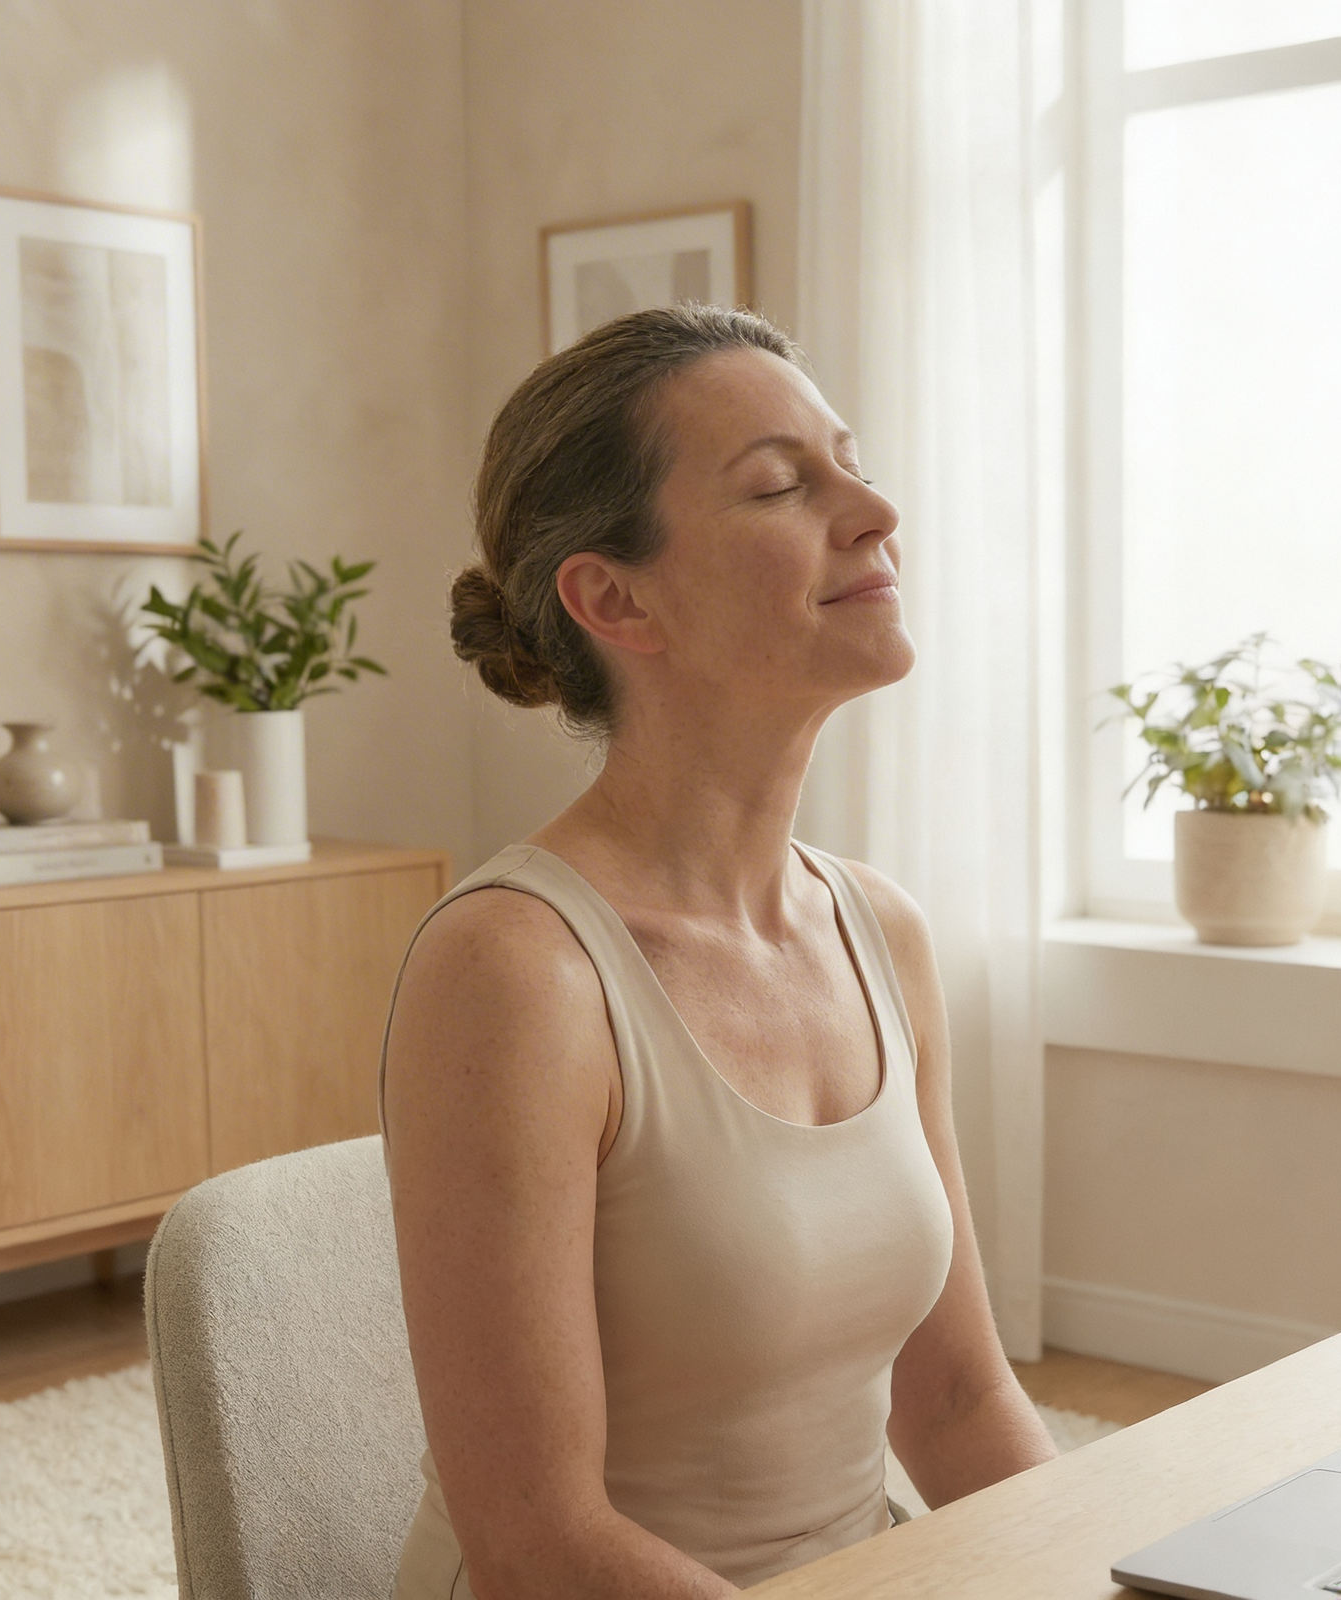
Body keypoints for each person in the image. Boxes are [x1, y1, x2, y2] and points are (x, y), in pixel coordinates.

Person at [377, 303, 1057, 1599]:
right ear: (615, 598)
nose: (872, 511)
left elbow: (961, 1405)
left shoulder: (882, 933)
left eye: (849, 462)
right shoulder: (517, 975)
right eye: (783, 486)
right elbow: (538, 1546)